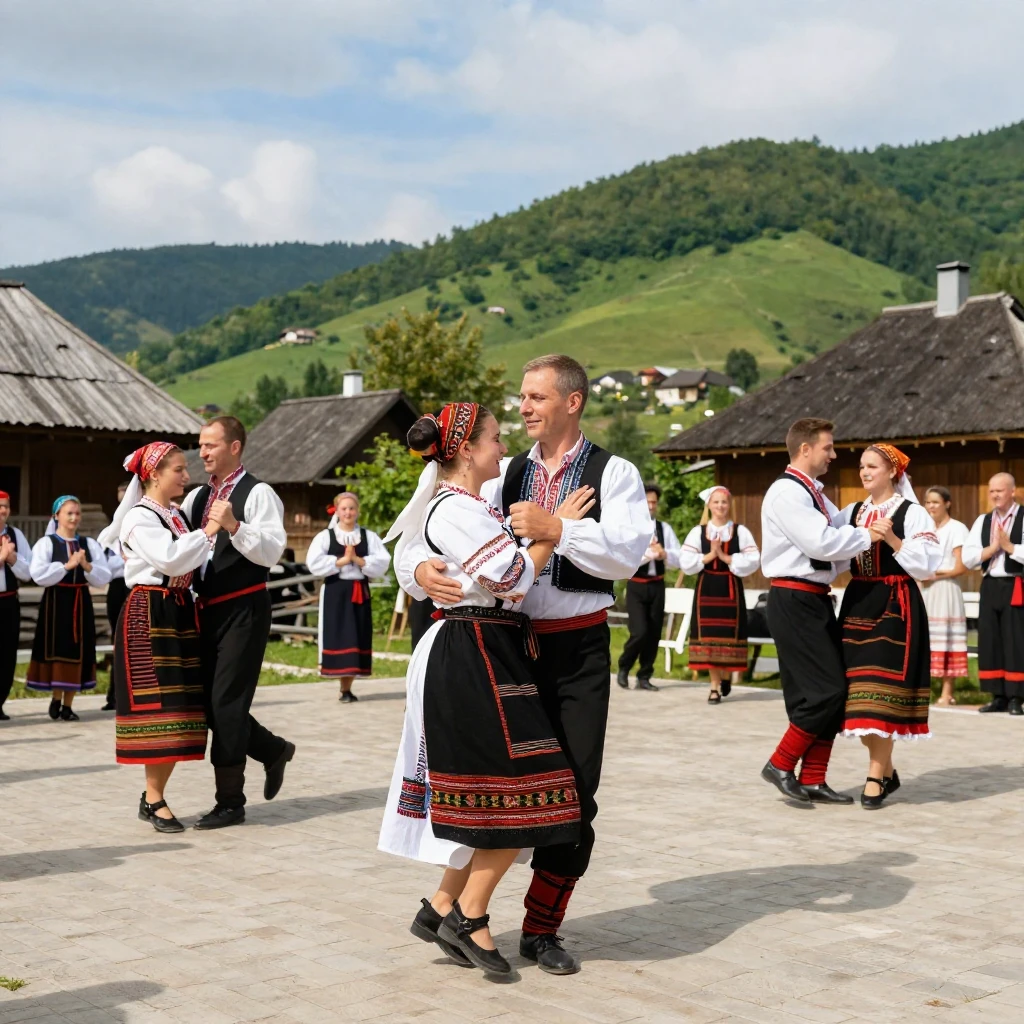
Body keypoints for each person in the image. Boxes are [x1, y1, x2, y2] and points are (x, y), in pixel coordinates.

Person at [398, 354, 651, 975]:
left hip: (578, 647)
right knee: (501, 786)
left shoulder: (614, 472)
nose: (524, 407)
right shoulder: (500, 472)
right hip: (505, 649)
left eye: (536, 396)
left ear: (573, 401)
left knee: (576, 794)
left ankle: (540, 929)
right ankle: (451, 907)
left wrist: (558, 530)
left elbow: (627, 554)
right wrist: (419, 571)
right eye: (521, 397)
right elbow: (422, 528)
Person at [379, 403, 588, 975]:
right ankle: (469, 915)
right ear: (467, 449)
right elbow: (513, 579)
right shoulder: (454, 506)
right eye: (494, 438)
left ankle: (443, 905)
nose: (503, 446)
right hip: (473, 647)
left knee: (495, 787)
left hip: (488, 645)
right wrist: (554, 529)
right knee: (529, 789)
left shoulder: (470, 502)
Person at [759, 418, 883, 805]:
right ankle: (781, 763)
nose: (833, 454)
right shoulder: (786, 492)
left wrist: (878, 507)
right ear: (805, 449)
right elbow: (821, 541)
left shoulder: (813, 493)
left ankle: (813, 777)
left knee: (823, 691)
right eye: (828, 447)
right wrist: (867, 535)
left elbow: (838, 530)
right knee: (826, 690)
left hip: (813, 598)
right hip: (793, 598)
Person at [179, 416, 295, 829]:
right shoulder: (196, 498)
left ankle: (230, 802)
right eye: (200, 445)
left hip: (244, 609)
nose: (203, 452)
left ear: (234, 447)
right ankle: (271, 749)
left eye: (210, 445)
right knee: (208, 703)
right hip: (205, 609)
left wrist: (234, 525)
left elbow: (272, 553)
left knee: (227, 704)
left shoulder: (258, 493)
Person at [99, 443, 217, 832]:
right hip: (149, 614)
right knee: (161, 707)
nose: (186, 476)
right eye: (178, 470)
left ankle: (153, 797)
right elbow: (170, 558)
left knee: (181, 708)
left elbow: (193, 559)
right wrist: (210, 530)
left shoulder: (175, 515)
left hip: (178, 610)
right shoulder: (139, 517)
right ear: (153, 474)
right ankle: (154, 799)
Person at [834, 445, 940, 808]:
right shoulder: (851, 512)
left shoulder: (912, 513)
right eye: (861, 466)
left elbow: (926, 566)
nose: (864, 472)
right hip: (857, 603)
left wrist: (893, 539)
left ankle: (874, 776)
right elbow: (829, 550)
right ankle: (887, 769)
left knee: (879, 696)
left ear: (893, 471)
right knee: (855, 699)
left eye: (872, 466)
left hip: (896, 607)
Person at [27, 495, 111, 719]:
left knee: (79, 649)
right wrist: (66, 566)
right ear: (56, 516)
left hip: (80, 602)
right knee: (57, 648)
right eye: (69, 513)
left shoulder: (88, 544)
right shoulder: (46, 543)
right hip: (55, 602)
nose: (74, 518)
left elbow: (104, 577)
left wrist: (85, 565)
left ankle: (68, 705)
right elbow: (38, 574)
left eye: (77, 513)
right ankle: (56, 697)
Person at [679, 485, 760, 703]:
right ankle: (714, 686)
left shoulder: (740, 531)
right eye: (716, 502)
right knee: (709, 636)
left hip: (730, 588)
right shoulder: (698, 532)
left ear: (729, 505)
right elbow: (685, 561)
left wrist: (725, 557)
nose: (720, 506)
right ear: (709, 505)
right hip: (707, 589)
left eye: (724, 502)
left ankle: (725, 676)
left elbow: (754, 559)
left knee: (728, 635)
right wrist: (708, 557)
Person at [306, 492, 391, 702]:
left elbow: (382, 561)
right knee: (338, 635)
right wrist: (342, 561)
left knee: (357, 635)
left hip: (359, 591)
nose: (348, 512)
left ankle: (347, 689)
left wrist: (357, 560)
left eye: (351, 508)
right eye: (344, 509)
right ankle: (342, 686)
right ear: (337, 511)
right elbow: (313, 562)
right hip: (336, 591)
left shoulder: (368, 536)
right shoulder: (326, 536)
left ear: (357, 511)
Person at [962, 472, 1024, 715]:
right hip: (990, 584)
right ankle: (997, 695)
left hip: (1015, 584)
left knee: (1015, 640)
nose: (995, 495)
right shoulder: (983, 520)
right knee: (990, 640)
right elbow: (968, 557)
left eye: (1000, 490)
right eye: (992, 491)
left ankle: (1016, 697)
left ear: (1013, 491)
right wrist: (992, 549)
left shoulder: (1022, 517)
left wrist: (1010, 547)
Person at [616, 482, 681, 692]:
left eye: (654, 502)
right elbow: (625, 558)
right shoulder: (631, 529)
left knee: (654, 633)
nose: (651, 506)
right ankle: (624, 666)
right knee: (640, 631)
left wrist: (664, 554)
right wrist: (649, 554)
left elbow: (678, 557)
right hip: (637, 585)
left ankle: (644, 675)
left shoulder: (664, 529)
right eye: (648, 502)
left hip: (657, 585)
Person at [921, 486, 970, 706]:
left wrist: (935, 574)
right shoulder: (925, 529)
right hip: (926, 589)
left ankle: (947, 692)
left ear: (947, 504)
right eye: (928, 502)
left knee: (948, 638)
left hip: (946, 589)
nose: (931, 506)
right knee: (925, 637)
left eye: (935, 502)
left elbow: (961, 567)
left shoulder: (957, 528)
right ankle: (923, 690)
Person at [0, 491, 33, 720]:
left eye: (6, 506)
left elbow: (29, 572)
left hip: (9, 602)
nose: (3, 510)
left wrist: (12, 558)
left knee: (7, 654)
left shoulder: (15, 535)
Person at [100, 481, 132, 711]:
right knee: (117, 639)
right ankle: (114, 695)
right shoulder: (110, 534)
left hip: (136, 585)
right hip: (117, 587)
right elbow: (103, 566)